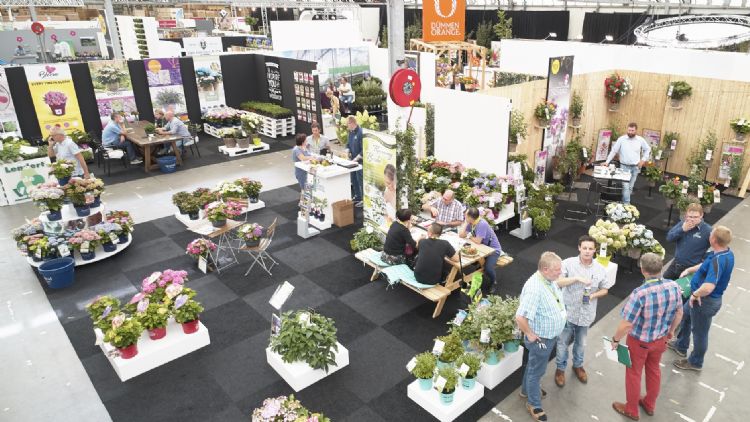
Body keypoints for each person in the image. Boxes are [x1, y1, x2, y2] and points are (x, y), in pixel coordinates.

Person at [610, 253, 683, 420]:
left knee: (634, 373)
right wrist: (671, 332)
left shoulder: (640, 293)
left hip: (639, 342)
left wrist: (615, 340)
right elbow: (679, 312)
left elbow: (627, 324)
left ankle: (631, 410)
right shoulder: (673, 286)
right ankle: (649, 404)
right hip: (660, 340)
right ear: (661, 267)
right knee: (654, 370)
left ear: (642, 270)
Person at [516, 252, 572, 422]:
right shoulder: (535, 289)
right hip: (541, 339)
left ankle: (526, 391)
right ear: (545, 269)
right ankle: (533, 404)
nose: (560, 273)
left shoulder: (548, 279)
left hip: (548, 336)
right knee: (537, 371)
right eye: (557, 270)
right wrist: (529, 334)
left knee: (533, 365)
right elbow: (520, 317)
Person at [670, 226, 734, 371]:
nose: (709, 235)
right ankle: (681, 345)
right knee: (685, 316)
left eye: (711, 234)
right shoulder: (725, 252)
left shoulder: (718, 261)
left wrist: (695, 295)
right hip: (700, 299)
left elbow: (708, 287)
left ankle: (695, 362)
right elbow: (705, 264)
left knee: (700, 333)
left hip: (704, 302)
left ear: (714, 240)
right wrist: (689, 270)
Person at [554, 235, 612, 388]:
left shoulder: (600, 269)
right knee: (562, 342)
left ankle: (578, 366)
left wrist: (593, 296)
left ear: (595, 250)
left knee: (581, 343)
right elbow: (558, 282)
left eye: (590, 249)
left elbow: (605, 289)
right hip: (568, 312)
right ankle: (560, 369)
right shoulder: (568, 263)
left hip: (587, 314)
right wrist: (577, 278)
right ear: (579, 248)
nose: (587, 251)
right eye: (584, 248)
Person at [603, 122, 651, 204]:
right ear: (627, 129)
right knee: (625, 186)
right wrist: (607, 162)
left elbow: (648, 149)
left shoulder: (640, 140)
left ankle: (623, 203)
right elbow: (614, 151)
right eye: (629, 130)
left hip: (636, 167)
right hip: (624, 167)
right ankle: (627, 205)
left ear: (636, 130)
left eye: (632, 130)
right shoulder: (621, 139)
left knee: (630, 187)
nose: (630, 132)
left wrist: (643, 160)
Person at [663, 203, 711, 280]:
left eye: (695, 217)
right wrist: (682, 230)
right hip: (675, 264)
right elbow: (669, 238)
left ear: (701, 215)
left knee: (682, 287)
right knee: (663, 284)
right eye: (690, 217)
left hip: (690, 269)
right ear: (686, 215)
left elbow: (717, 247)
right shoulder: (682, 224)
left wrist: (703, 260)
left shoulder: (708, 230)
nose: (692, 219)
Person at [459, 207, 502, 291]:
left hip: (493, 250)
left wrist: (469, 236)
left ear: (470, 217)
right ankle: (478, 270)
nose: (464, 215)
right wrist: (465, 223)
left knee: (488, 268)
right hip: (481, 248)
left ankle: (493, 282)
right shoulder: (471, 222)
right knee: (471, 260)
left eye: (465, 215)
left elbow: (478, 241)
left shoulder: (482, 224)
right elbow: (461, 235)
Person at [347, 116, 364, 207]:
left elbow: (364, 149)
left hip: (360, 162)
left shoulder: (361, 133)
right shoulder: (350, 132)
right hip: (352, 161)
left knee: (360, 180)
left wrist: (356, 158)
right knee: (353, 178)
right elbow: (348, 144)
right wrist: (348, 151)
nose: (347, 126)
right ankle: (358, 196)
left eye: (348, 124)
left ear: (352, 123)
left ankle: (363, 199)